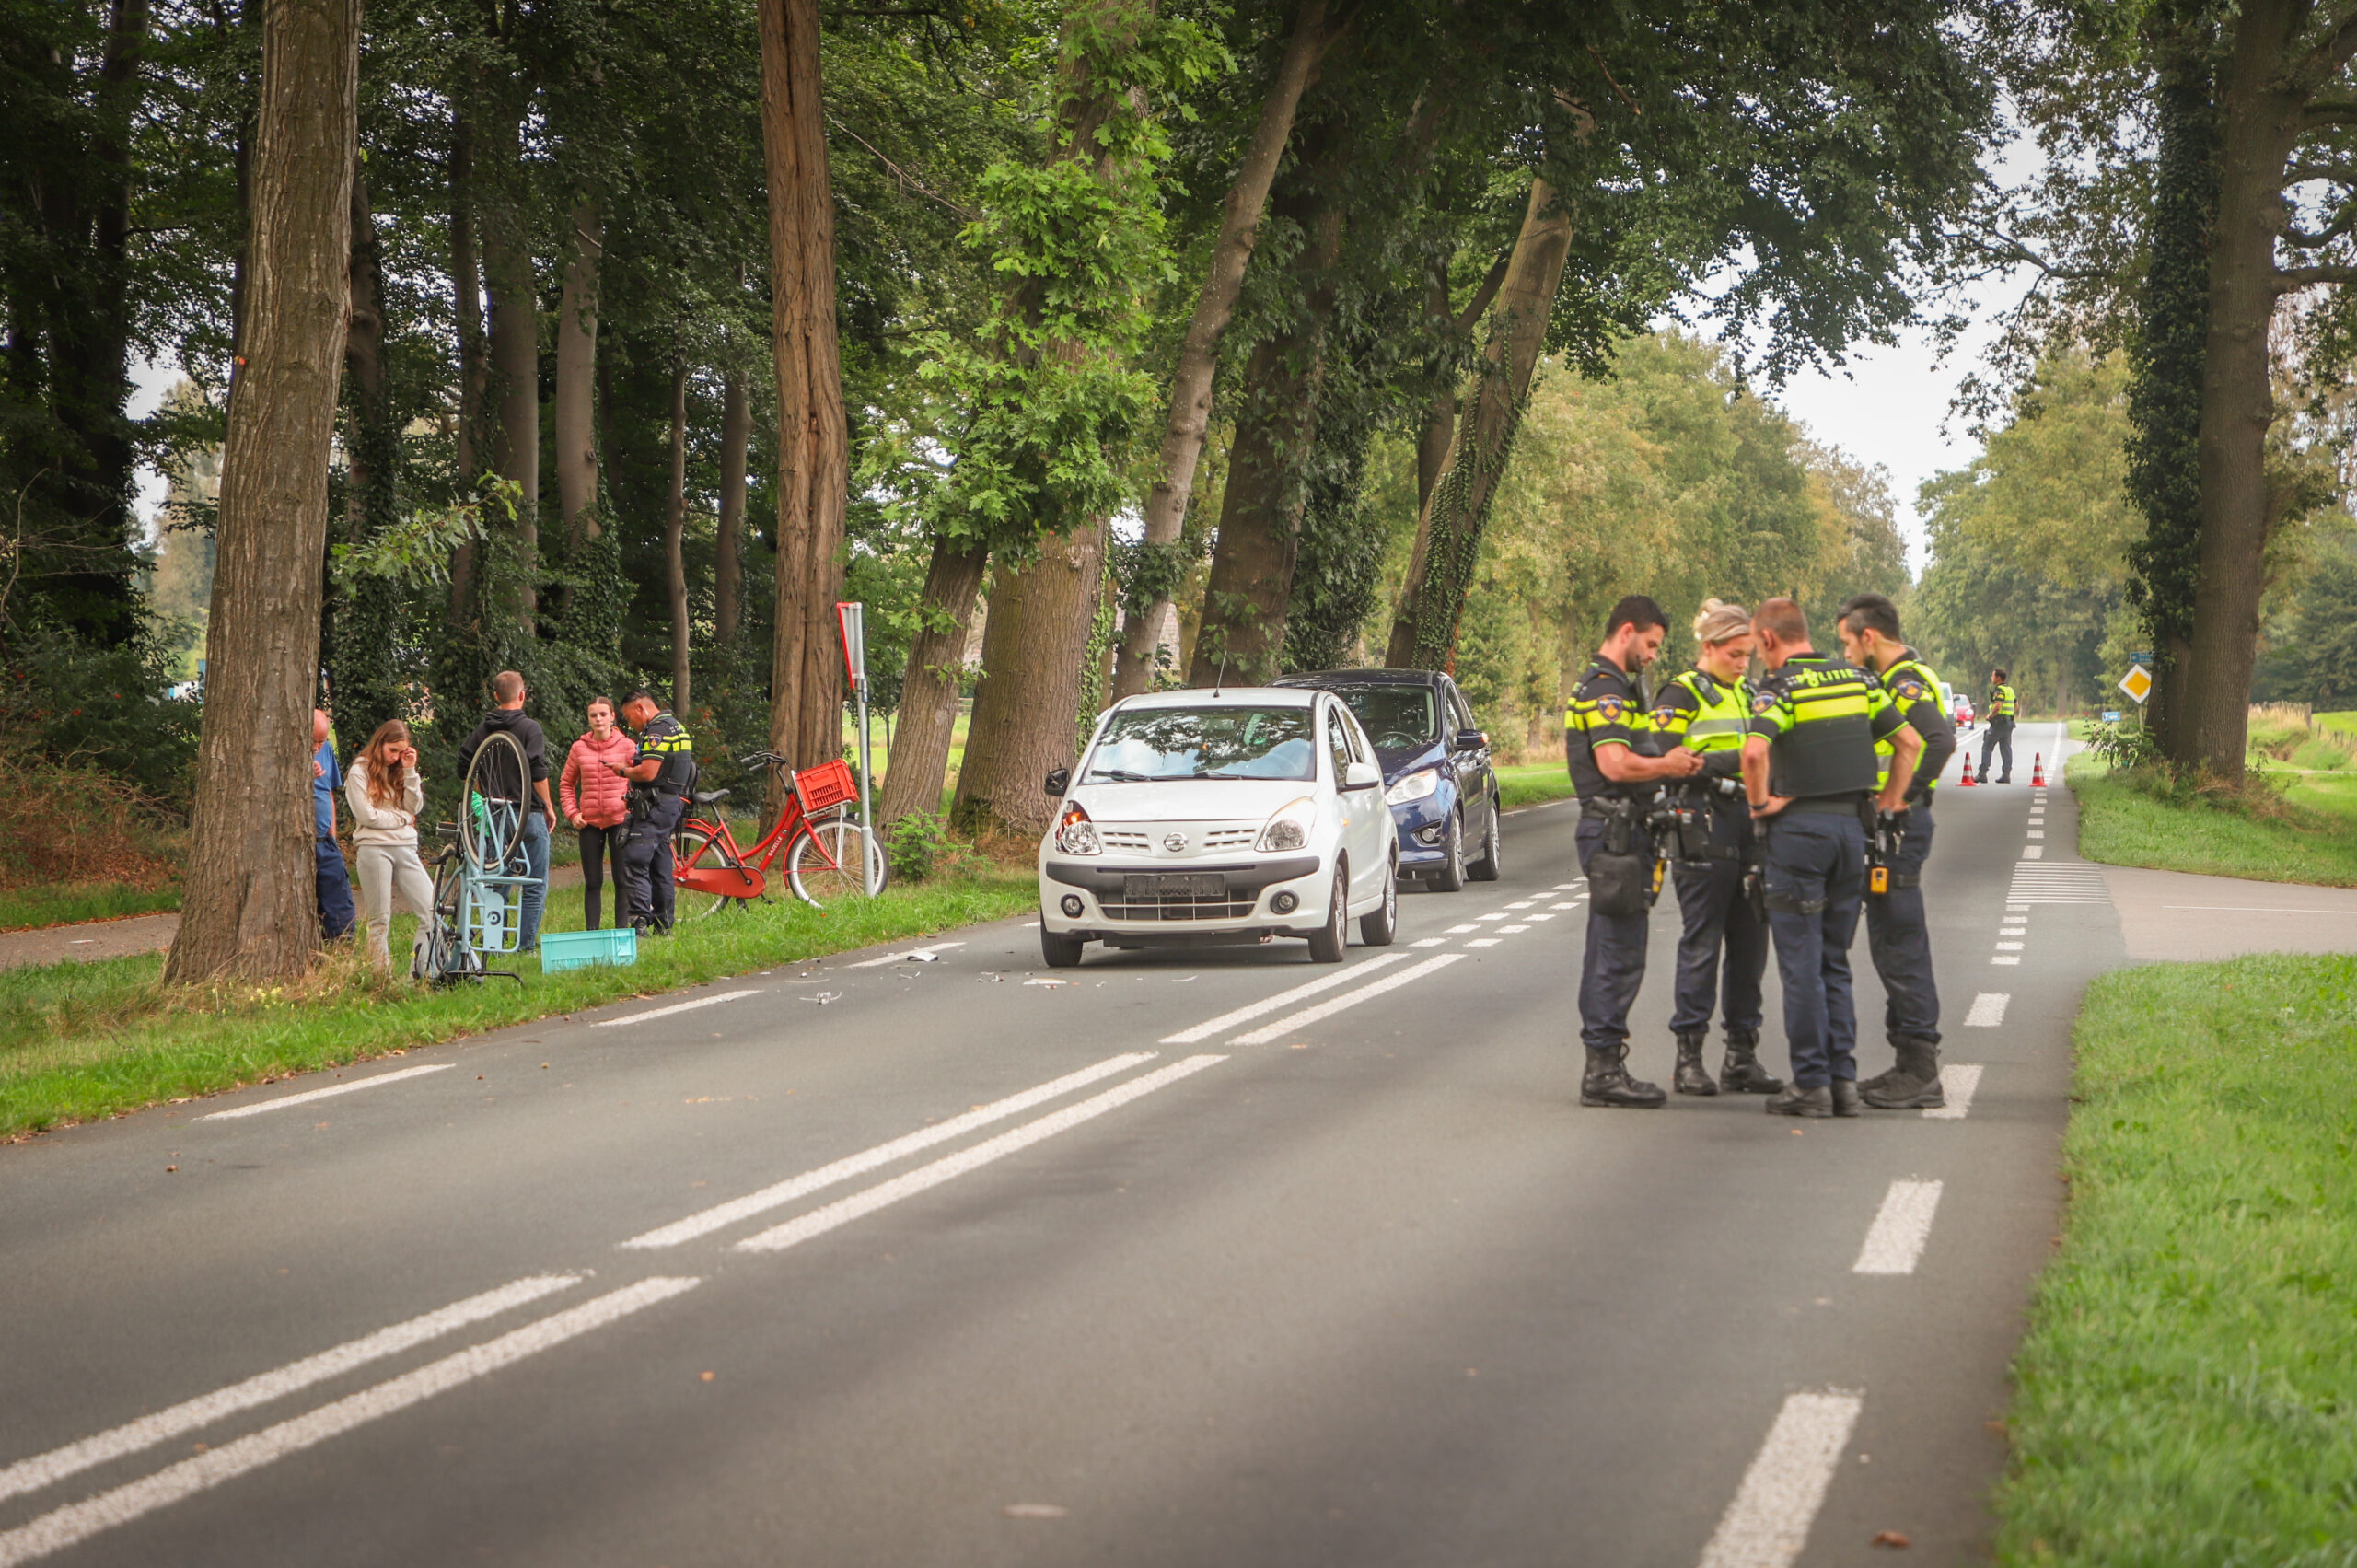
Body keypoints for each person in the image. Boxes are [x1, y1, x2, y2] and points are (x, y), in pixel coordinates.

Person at [1741, 598, 1921, 1119]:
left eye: (1757, 647)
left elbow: (1754, 751)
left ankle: (1811, 1083)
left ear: (1769, 639)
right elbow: (1909, 743)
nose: (1758, 657)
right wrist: (1889, 801)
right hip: (1852, 834)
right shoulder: (1859, 681)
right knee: (1834, 961)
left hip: (1799, 835)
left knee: (1801, 966)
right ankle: (1843, 1082)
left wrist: (1760, 805)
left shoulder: (1782, 687)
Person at [1565, 595, 1705, 1109]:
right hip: (1615, 834)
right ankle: (1603, 1071)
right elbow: (1615, 764)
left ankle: (1603, 1063)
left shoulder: (1612, 686)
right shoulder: (1606, 690)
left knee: (1610, 947)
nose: (1652, 656)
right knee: (1618, 953)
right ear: (1627, 631)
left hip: (1619, 832)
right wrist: (1669, 765)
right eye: (1650, 644)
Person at [1647, 598, 1780, 1097]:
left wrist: (1725, 761)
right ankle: (1689, 1058)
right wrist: (1738, 760)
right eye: (1734, 654)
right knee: (1702, 944)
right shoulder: (1681, 693)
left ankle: (1742, 1056)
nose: (1743, 663)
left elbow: (1771, 752)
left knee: (1751, 947)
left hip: (1752, 827)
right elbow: (1667, 757)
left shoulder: (1751, 693)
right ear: (1708, 647)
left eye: (1748, 655)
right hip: (1704, 826)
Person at [1837, 594, 1959, 1109]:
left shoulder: (1905, 681)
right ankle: (1906, 1063)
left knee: (1901, 943)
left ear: (1869, 636)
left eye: (1847, 643)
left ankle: (1921, 1070)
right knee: (1888, 942)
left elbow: (1939, 740)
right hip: (1890, 829)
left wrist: (1901, 797)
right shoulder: (1891, 679)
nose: (1845, 654)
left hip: (1900, 828)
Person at [454, 670, 556, 952]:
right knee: (534, 881)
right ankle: (525, 945)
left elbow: (464, 767)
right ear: (522, 695)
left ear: (496, 695)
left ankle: (494, 942)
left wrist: (483, 787)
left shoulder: (483, 730)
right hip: (528, 813)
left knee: (498, 881)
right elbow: (537, 770)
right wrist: (548, 805)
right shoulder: (530, 728)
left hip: (496, 814)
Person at [344, 719, 434, 972]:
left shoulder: (401, 769)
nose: (395, 757)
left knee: (431, 911)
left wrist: (409, 771)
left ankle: (420, 974)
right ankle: (380, 977)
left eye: (401, 752)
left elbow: (414, 807)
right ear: (380, 743)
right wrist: (403, 818)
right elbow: (367, 816)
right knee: (379, 919)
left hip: (405, 846)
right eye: (392, 750)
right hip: (373, 847)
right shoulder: (359, 771)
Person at [611, 688, 695, 935]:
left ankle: (639, 924)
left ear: (641, 708)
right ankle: (663, 925)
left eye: (629, 717)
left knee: (636, 859)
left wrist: (622, 771)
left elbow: (648, 772)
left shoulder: (657, 731)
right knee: (660, 865)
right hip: (671, 803)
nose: (630, 724)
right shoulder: (677, 727)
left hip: (654, 806)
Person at [560, 695, 635, 930]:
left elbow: (640, 778)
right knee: (593, 882)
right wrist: (572, 813)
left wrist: (631, 809)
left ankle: (622, 934)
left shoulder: (627, 746)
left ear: (613, 716)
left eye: (603, 714)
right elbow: (566, 784)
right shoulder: (578, 748)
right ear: (588, 719)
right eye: (593, 715)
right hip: (589, 823)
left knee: (622, 880)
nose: (599, 719)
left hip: (619, 820)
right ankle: (592, 933)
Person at [311, 709, 356, 941]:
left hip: (325, 840)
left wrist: (333, 835)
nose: (317, 747)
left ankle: (341, 942)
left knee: (338, 891)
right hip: (303, 841)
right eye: (314, 741)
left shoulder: (326, 749)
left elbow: (329, 793)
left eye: (322, 741)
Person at [1980, 667, 2017, 783]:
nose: (1991, 678)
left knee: (1987, 747)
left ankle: (1982, 774)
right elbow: (2016, 706)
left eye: (1993, 676)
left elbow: (1997, 706)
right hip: (2009, 723)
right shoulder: (2010, 690)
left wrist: (1991, 716)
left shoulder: (1999, 690)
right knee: (2006, 749)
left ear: (1998, 678)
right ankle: (2006, 775)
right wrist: (2008, 715)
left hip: (1998, 723)